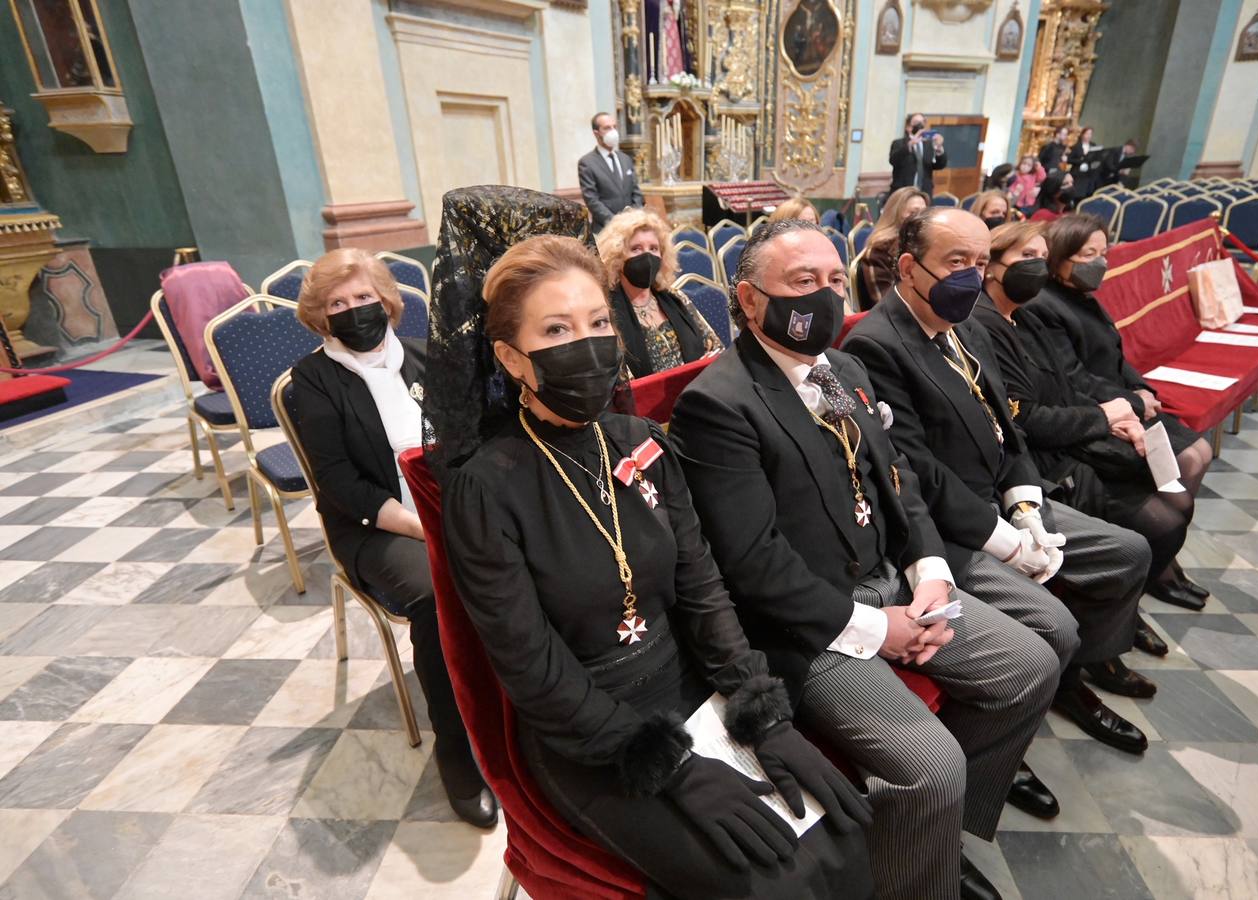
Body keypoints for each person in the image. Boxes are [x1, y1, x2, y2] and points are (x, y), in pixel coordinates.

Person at [441, 234, 873, 899]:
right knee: (770, 886)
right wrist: (673, 767)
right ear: (512, 358)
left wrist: (761, 709)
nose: (585, 344)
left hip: (688, 684)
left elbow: (703, 591)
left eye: (595, 323)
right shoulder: (487, 487)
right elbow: (531, 670)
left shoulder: (640, 442)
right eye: (556, 330)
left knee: (844, 837)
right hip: (591, 731)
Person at [669, 218, 1064, 900]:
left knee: (1033, 665)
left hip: (896, 585)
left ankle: (932, 837)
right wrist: (882, 630)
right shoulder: (718, 405)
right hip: (813, 627)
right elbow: (753, 564)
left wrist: (932, 576)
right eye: (801, 283)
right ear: (751, 298)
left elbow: (900, 482)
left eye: (831, 280)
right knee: (933, 766)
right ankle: (915, 869)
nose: (823, 296)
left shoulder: (843, 368)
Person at [841, 207, 1155, 756]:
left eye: (980, 262)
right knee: (1054, 626)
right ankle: (1008, 738)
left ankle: (1080, 670)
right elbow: (916, 471)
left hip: (1006, 498)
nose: (971, 275)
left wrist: (1027, 506)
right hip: (956, 523)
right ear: (910, 268)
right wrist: (1007, 541)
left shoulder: (967, 326)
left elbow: (1007, 429)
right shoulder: (878, 344)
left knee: (1128, 550)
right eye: (956, 261)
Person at [290, 248, 497, 829]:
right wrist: (424, 527)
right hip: (376, 526)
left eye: (363, 298)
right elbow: (338, 485)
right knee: (439, 591)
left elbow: (471, 440)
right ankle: (457, 751)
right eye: (337, 303)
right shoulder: (314, 382)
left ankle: (520, 709)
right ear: (319, 317)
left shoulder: (428, 358)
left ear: (386, 301)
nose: (353, 310)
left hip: (451, 508)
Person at [972, 221, 1174, 655]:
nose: (1038, 269)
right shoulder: (981, 323)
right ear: (989, 266)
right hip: (1045, 460)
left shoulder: (1023, 316)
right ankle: (1104, 639)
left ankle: (1121, 615)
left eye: (1042, 258)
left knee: (1164, 490)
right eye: (1027, 258)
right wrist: (1105, 417)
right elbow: (1022, 420)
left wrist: (1119, 411)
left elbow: (1067, 380)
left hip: (1061, 443)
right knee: (1148, 524)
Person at [1024, 214, 1213, 609]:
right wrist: (1130, 404)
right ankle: (1156, 565)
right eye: (1087, 253)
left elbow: (1114, 354)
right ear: (1058, 258)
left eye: (1103, 253)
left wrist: (1140, 387)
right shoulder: (1044, 306)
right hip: (1095, 408)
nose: (1100, 262)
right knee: (1184, 468)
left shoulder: (1083, 297)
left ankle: (1163, 562)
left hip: (1121, 399)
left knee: (1198, 455)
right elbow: (1074, 378)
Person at [595, 208, 722, 378]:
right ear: (617, 257)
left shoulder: (676, 298)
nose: (647, 256)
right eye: (636, 249)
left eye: (654, 248)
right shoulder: (606, 312)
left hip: (694, 395)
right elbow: (615, 377)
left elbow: (715, 348)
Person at [856, 187, 929, 311]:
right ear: (895, 214)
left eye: (924, 212)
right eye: (913, 212)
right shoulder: (879, 250)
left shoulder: (923, 245)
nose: (921, 218)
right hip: (892, 323)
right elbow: (886, 305)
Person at [579, 112, 644, 231]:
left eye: (614, 127)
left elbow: (636, 192)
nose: (613, 131)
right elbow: (592, 200)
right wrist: (615, 223)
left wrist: (635, 217)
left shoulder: (625, 159)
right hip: (606, 229)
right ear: (596, 133)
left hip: (632, 227)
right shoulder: (587, 163)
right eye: (607, 128)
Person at [888, 112, 946, 196]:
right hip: (902, 192)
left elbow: (939, 166)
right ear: (908, 127)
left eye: (922, 122)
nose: (920, 125)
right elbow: (893, 161)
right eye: (916, 122)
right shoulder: (899, 143)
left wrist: (939, 148)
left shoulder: (929, 145)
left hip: (924, 191)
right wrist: (909, 145)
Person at [1066, 127, 1100, 199]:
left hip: (1089, 172)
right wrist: (1081, 161)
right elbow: (1069, 160)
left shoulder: (1093, 145)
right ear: (1082, 135)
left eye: (1090, 134)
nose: (1089, 136)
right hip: (1078, 172)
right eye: (1087, 134)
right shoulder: (1077, 146)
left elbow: (1096, 158)